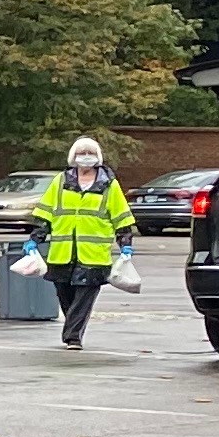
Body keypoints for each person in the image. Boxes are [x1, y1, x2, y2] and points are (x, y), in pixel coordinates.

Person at [39, 135, 136, 350]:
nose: (85, 157)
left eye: (90, 153)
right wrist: (35, 239)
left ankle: (73, 336)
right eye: (81, 153)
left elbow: (121, 216)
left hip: (94, 254)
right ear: (73, 157)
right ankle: (73, 329)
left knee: (84, 297)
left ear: (98, 157)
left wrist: (125, 243)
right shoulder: (61, 182)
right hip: (62, 252)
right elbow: (45, 212)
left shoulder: (109, 186)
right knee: (66, 295)